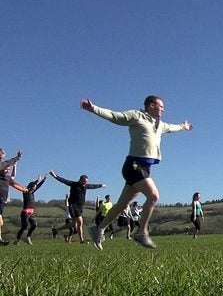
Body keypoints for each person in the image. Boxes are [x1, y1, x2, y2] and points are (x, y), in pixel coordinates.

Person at [81, 95, 193, 250]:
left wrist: (183, 127)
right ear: (151, 105)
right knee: (154, 196)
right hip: (134, 165)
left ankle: (99, 228)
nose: (163, 109)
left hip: (144, 168)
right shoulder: (137, 116)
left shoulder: (159, 124)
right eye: (161, 106)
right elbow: (115, 116)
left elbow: (172, 127)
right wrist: (93, 108)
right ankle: (142, 232)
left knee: (122, 204)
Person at [49, 171, 106, 244]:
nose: (85, 183)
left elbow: (93, 186)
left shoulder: (85, 186)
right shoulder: (73, 184)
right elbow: (63, 180)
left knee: (74, 225)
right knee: (80, 222)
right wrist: (55, 176)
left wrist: (101, 185)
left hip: (80, 206)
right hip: (73, 206)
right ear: (81, 180)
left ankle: (56, 229)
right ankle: (82, 240)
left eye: (86, 182)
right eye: (84, 182)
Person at [14, 175, 46, 245]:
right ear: (31, 186)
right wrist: (37, 180)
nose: (35, 188)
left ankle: (28, 237)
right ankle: (17, 240)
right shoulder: (25, 192)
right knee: (24, 226)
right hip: (25, 212)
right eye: (34, 186)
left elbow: (38, 186)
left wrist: (43, 180)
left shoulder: (32, 192)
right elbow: (33, 185)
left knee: (34, 224)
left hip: (31, 213)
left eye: (35, 187)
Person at [0, 149, 24, 245]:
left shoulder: (6, 177)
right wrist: (17, 158)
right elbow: (6, 163)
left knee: (1, 222)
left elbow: (14, 184)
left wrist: (25, 190)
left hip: (2, 200)